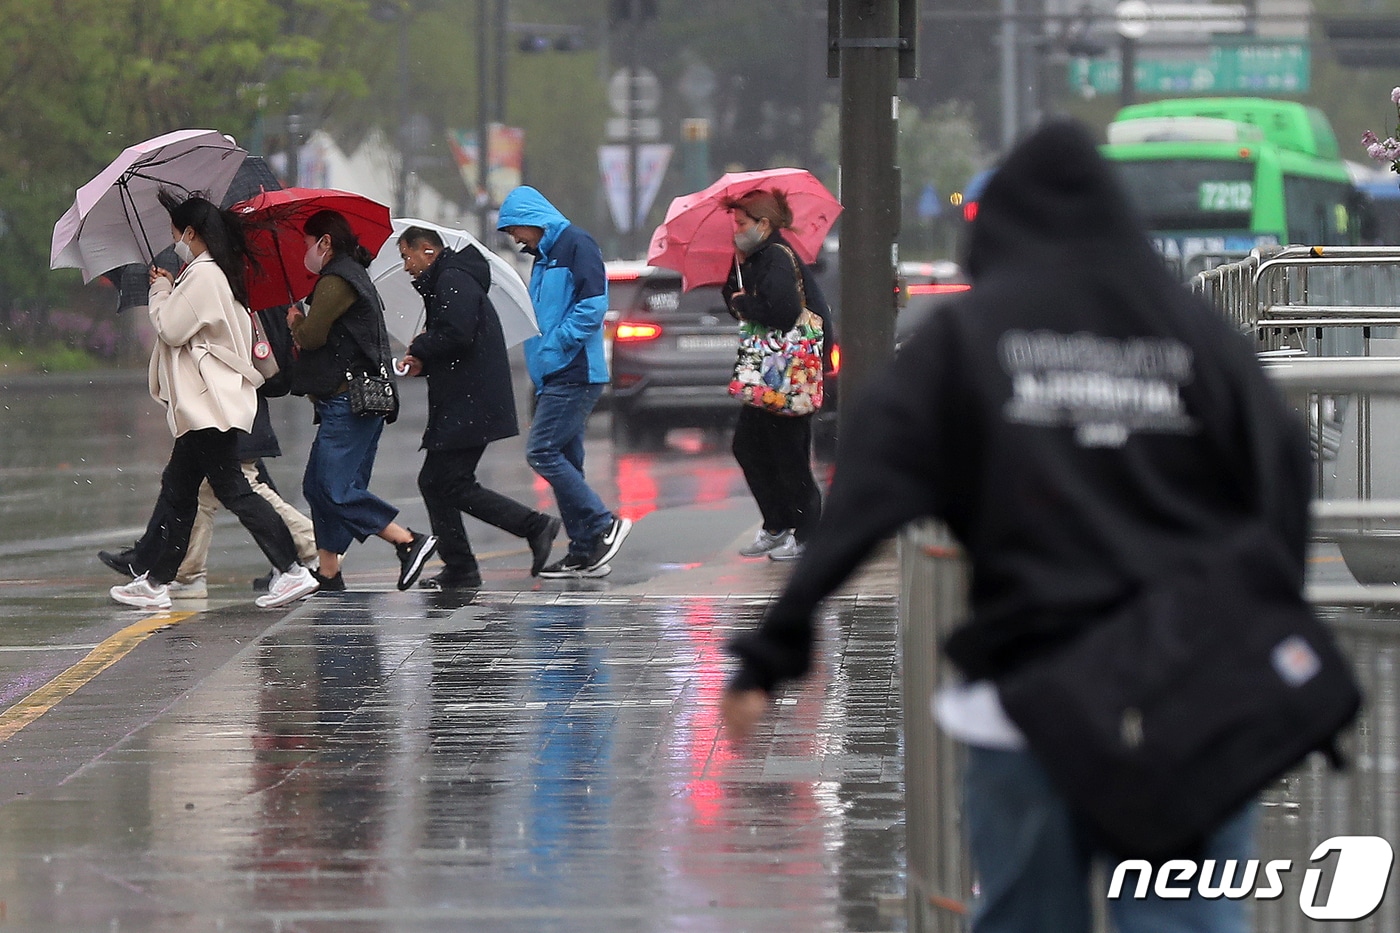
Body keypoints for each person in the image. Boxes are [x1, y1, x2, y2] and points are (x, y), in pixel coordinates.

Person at [719, 121, 1315, 932]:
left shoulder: (970, 340)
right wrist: (1272, 618)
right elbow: (1284, 470)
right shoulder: (1200, 338)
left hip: (1033, 699)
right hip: (1197, 699)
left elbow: (867, 490)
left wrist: (775, 646)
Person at [108, 191, 318, 611]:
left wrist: (160, 291)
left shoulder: (204, 275)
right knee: (179, 489)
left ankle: (292, 569)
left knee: (232, 490)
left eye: (176, 235)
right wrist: (172, 286)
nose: (175, 243)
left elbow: (171, 328)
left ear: (191, 233)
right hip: (207, 403)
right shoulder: (217, 271)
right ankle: (158, 581)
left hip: (207, 405)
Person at [396, 226, 562, 589]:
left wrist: (422, 346)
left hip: (470, 401)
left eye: (408, 256)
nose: (407, 266)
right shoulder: (449, 279)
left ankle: (528, 529)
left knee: (445, 482)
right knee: (439, 482)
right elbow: (458, 342)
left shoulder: (452, 279)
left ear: (427, 250)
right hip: (467, 398)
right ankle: (464, 564)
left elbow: (458, 333)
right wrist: (426, 359)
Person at [287, 209, 437, 591]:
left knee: (333, 488)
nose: (306, 251)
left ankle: (407, 540)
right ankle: (329, 572)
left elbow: (313, 336)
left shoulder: (337, 280)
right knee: (318, 486)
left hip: (349, 401)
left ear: (325, 242)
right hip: (355, 399)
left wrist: (296, 323)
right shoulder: (352, 275)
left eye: (308, 243)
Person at [496, 186, 631, 578]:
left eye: (514, 229)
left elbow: (593, 304)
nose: (515, 238)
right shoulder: (544, 256)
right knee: (566, 461)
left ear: (532, 219)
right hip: (553, 374)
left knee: (542, 451)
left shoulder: (576, 244)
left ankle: (604, 523)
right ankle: (584, 549)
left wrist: (558, 344)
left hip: (574, 371)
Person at [98, 393, 318, 598]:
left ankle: (303, 554)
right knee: (196, 488)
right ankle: (175, 575)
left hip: (217, 413)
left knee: (239, 489)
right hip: (213, 411)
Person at [720, 189, 829, 563]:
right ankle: (778, 523)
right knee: (749, 446)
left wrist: (744, 302)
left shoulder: (777, 258)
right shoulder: (754, 259)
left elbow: (782, 312)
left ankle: (808, 532)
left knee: (789, 454)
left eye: (742, 224)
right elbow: (734, 300)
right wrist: (738, 280)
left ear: (764, 224)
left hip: (787, 375)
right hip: (769, 375)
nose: (736, 230)